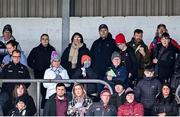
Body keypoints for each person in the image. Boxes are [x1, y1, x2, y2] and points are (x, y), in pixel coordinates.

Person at [27, 33, 55, 108]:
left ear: (48, 40)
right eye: (43, 39)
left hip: (50, 74)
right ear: (40, 40)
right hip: (39, 74)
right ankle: (43, 109)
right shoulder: (35, 50)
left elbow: (56, 61)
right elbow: (29, 61)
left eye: (46, 39)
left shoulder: (52, 49)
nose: (45, 40)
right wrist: (36, 67)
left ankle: (45, 109)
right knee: (43, 92)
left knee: (48, 92)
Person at [90, 24, 118, 92]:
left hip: (110, 70)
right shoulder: (96, 43)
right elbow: (91, 56)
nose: (103, 32)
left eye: (105, 30)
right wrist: (94, 68)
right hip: (98, 71)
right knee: (99, 90)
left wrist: (113, 68)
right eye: (101, 30)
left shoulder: (113, 42)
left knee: (110, 88)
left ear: (108, 31)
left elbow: (117, 56)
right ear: (99, 32)